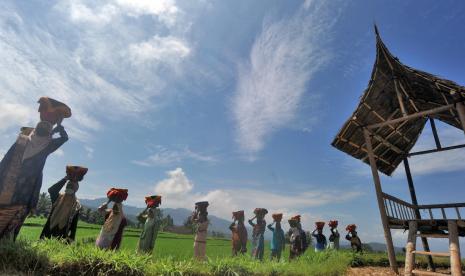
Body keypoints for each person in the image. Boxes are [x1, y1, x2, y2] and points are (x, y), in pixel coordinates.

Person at [40, 166, 87, 242]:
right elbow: (51, 190)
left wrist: (71, 238)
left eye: (73, 185)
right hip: (48, 231)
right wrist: (65, 179)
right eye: (69, 184)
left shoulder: (77, 205)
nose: (70, 185)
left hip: (62, 234)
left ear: (76, 188)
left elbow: (74, 224)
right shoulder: (57, 198)